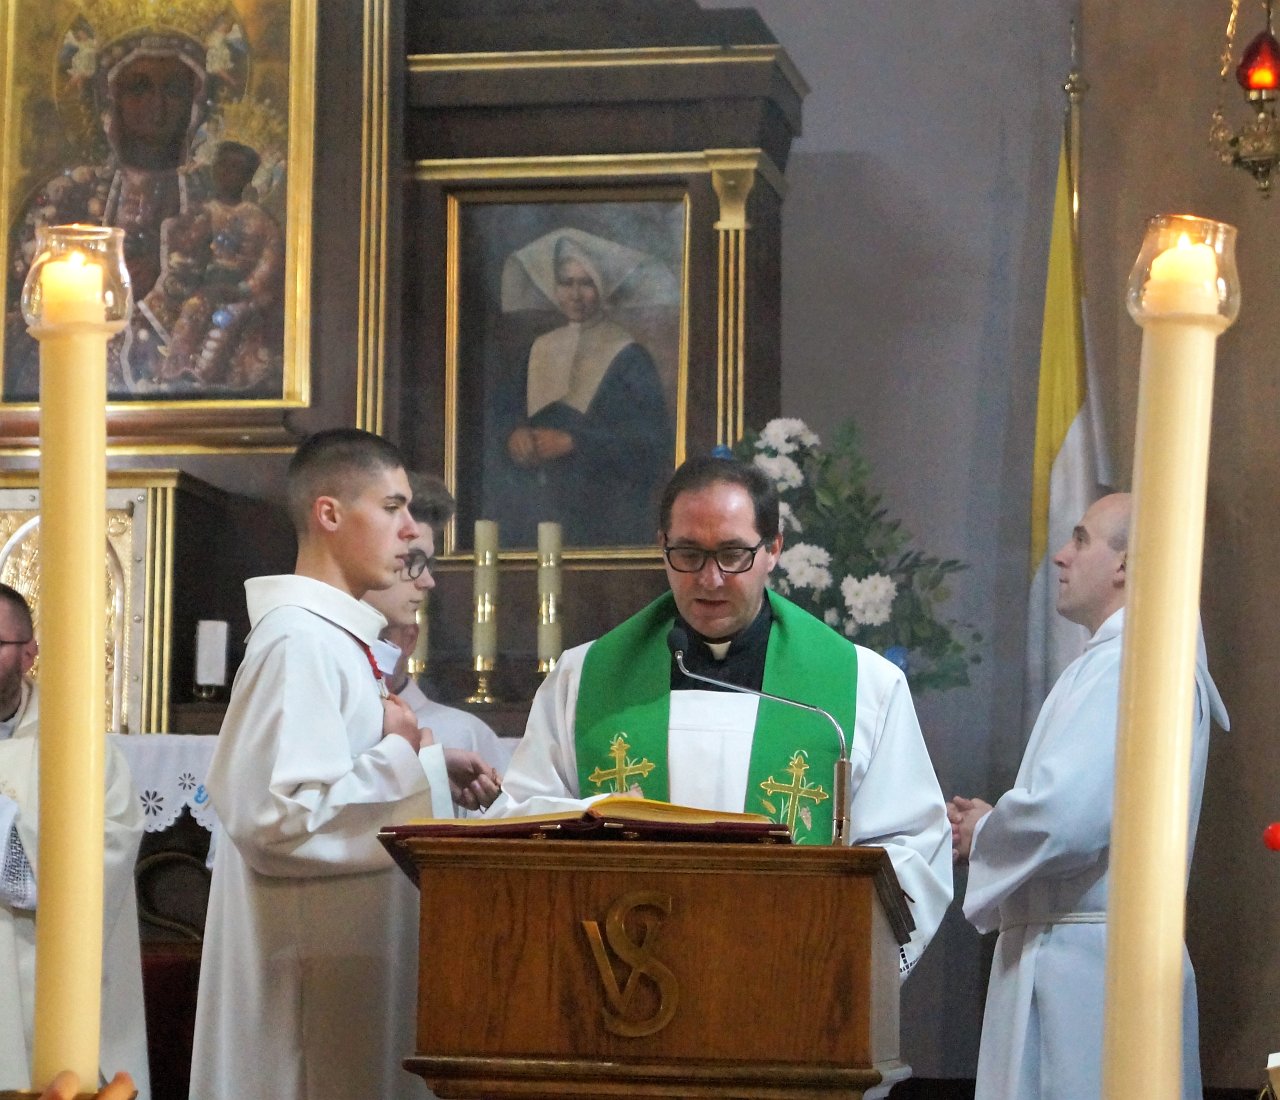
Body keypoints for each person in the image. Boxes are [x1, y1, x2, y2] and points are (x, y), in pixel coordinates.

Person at [490, 454, 953, 973]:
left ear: (773, 549)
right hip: (620, 982)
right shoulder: (584, 678)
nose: (710, 579)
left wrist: (841, 962)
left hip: (792, 980)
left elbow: (913, 845)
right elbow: (519, 821)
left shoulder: (862, 686)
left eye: (733, 554)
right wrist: (599, 819)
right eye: (688, 554)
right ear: (662, 547)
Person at [191, 429, 502, 1100]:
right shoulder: (299, 643)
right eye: (392, 508)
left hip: (339, 971)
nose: (411, 529)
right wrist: (400, 756)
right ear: (329, 514)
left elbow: (334, 782)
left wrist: (427, 767)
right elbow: (277, 822)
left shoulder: (332, 639)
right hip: (304, 999)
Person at [948, 493, 1228, 1100]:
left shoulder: (1130, 666)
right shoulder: (1120, 661)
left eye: (1080, 539)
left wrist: (987, 832)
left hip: (1086, 974)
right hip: (1084, 956)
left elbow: (1067, 818)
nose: (1060, 555)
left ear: (1125, 563)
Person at [0, 585, 151, 1099]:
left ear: (29, 652)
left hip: (52, 995)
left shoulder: (79, 746)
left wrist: (11, 844)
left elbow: (113, 843)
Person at [488, 230, 672, 547]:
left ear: (603, 286)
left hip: (606, 514)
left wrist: (575, 442)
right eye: (566, 283)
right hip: (536, 511)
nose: (575, 294)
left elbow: (650, 443)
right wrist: (513, 434)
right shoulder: (535, 350)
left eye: (586, 283)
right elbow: (502, 417)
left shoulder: (629, 356)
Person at [364, 473, 514, 773]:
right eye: (411, 560)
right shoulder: (304, 649)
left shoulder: (464, 734)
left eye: (428, 564)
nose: (428, 581)